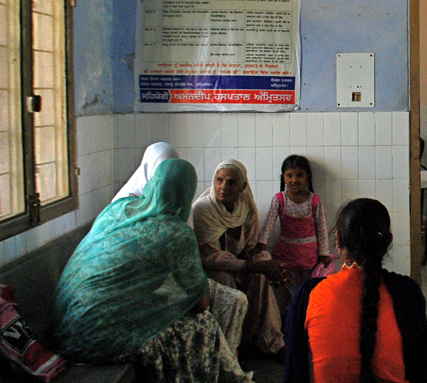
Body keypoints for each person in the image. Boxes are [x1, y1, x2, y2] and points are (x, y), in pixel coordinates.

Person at [51, 159, 252, 382]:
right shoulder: (177, 232)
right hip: (98, 342)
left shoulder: (118, 209)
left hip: (66, 327)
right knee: (204, 324)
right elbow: (201, 303)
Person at [284, 198, 427, 383]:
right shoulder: (407, 292)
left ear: (338, 239)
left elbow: (294, 374)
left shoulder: (309, 295)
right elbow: (421, 372)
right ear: (388, 242)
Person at [192, 159, 286, 355]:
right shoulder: (203, 209)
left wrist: (260, 264)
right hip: (212, 269)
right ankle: (228, 348)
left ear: (242, 186)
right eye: (219, 180)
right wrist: (249, 266)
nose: (223, 187)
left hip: (239, 264)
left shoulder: (245, 206)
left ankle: (268, 341)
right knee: (224, 280)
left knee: (262, 262)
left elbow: (251, 244)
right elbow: (210, 257)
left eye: (231, 182)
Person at [258, 155, 333, 298]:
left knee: (307, 292)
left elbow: (322, 228)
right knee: (286, 291)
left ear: (307, 176)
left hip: (309, 257)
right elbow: (268, 223)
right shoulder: (279, 199)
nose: (294, 180)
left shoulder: (314, 201)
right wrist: (261, 243)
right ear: (283, 177)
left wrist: (324, 253)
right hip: (285, 255)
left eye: (299, 175)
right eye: (289, 175)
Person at [112, 142, 179, 202]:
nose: (166, 175)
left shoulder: (178, 194)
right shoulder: (124, 203)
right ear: (148, 167)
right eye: (161, 170)